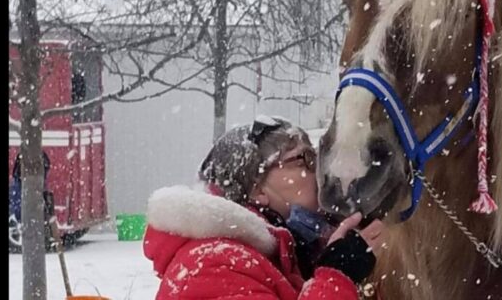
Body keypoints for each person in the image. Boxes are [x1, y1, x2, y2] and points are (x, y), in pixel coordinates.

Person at [143, 116, 385, 299]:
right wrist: (335, 275)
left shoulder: (287, 257)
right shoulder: (212, 263)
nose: (320, 171)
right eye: (304, 159)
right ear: (256, 188)